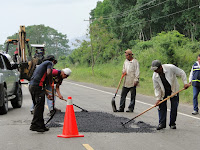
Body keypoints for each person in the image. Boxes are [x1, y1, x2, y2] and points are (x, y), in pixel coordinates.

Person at [151, 60, 190, 130]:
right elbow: (157, 88)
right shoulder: (155, 76)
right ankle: (162, 123)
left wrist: (185, 83)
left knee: (174, 107)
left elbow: (182, 72)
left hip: (173, 89)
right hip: (163, 92)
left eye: (156, 70)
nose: (155, 71)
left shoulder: (170, 68)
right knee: (161, 106)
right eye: (154, 70)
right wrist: (158, 99)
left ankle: (172, 123)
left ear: (160, 67)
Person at [29, 55, 57, 132]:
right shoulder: (49, 63)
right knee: (39, 107)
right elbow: (49, 73)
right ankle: (34, 125)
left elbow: (42, 84)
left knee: (39, 106)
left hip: (33, 87)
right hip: (36, 87)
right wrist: (51, 81)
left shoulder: (41, 66)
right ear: (53, 60)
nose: (54, 65)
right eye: (54, 62)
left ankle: (41, 125)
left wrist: (47, 95)